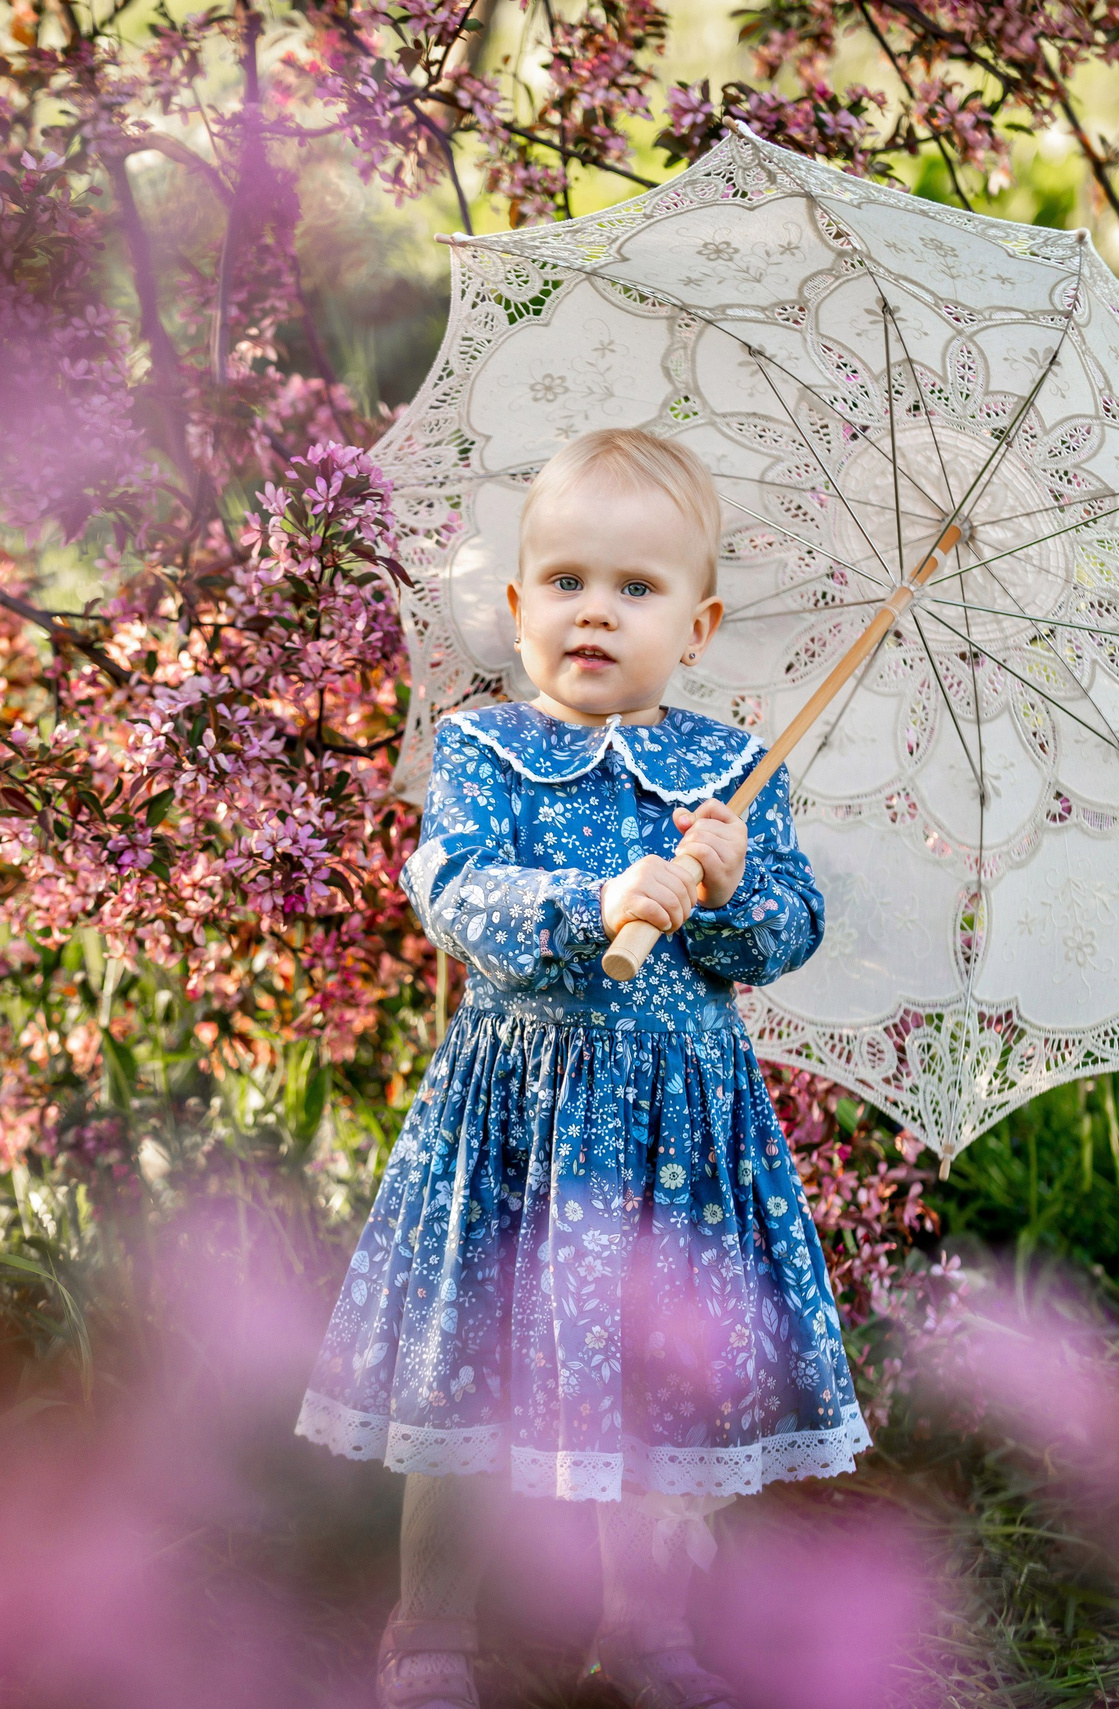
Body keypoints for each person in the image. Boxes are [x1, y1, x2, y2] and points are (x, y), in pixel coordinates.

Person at [294, 427, 868, 1709]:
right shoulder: (487, 754)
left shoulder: (731, 776)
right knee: (464, 1367)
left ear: (698, 623)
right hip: (519, 1120)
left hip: (675, 1129)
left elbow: (790, 926)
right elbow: (456, 893)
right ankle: (429, 1625)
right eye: (564, 581)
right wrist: (595, 898)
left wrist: (721, 890)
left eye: (636, 588)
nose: (594, 611)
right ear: (513, 605)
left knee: (653, 1388)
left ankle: (644, 1628)